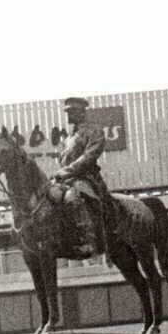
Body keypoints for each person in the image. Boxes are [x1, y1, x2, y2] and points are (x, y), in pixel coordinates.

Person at [50, 96, 112, 254]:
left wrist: (65, 172)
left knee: (73, 196)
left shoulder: (94, 131)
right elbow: (63, 161)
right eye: (68, 112)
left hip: (86, 178)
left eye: (73, 111)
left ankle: (89, 240)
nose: (69, 115)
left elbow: (89, 156)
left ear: (82, 112)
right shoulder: (68, 138)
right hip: (67, 179)